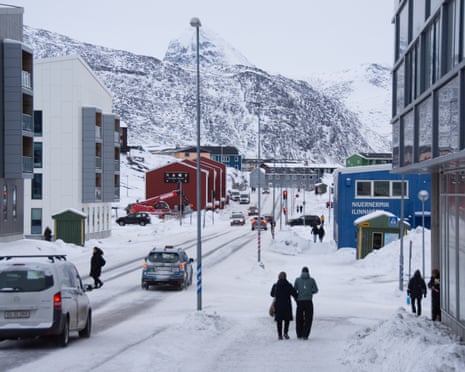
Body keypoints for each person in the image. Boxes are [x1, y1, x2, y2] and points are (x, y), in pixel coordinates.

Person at [270, 271, 297, 340]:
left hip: (278, 305)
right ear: (285, 277)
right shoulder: (289, 285)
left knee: (279, 321)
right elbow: (294, 294)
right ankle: (285, 333)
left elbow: (272, 294)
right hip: (287, 305)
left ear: (278, 277)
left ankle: (279, 335)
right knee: (287, 320)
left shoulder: (275, 285)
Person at [294, 266, 319, 340]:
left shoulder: (297, 280)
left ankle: (299, 334)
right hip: (308, 301)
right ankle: (305, 334)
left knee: (299, 318)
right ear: (308, 272)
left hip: (300, 301)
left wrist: (298, 296)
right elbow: (315, 290)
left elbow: (295, 289)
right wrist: (309, 292)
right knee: (308, 318)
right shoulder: (312, 280)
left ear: (301, 272)